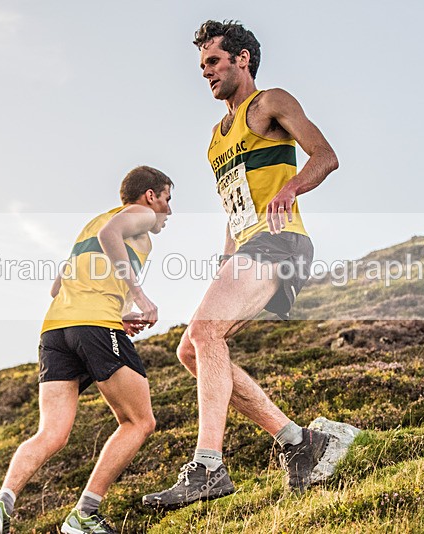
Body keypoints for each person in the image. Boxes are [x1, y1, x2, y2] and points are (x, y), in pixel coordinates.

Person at [142, 20, 339, 510]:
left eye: (213, 61)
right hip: (248, 247)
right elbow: (237, 209)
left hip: (282, 241)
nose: (206, 72)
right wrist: (224, 263)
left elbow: (325, 156)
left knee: (206, 335)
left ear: (242, 59)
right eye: (202, 65)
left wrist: (291, 189)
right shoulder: (215, 139)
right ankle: (298, 442)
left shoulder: (270, 102)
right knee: (193, 351)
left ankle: (208, 466)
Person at [0, 166, 173, 534]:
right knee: (139, 421)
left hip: (56, 330)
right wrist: (138, 294)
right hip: (93, 325)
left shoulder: (91, 224)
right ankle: (84, 514)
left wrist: (118, 315)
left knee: (51, 434)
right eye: (167, 199)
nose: (168, 211)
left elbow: (58, 288)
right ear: (150, 196)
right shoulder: (137, 217)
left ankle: (1, 504)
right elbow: (111, 233)